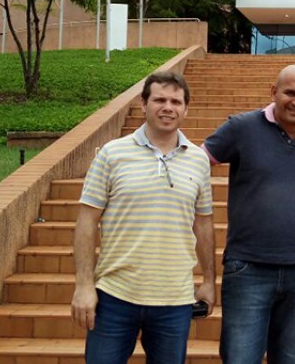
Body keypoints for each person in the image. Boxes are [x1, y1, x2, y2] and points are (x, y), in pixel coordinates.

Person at [70, 71, 215, 364]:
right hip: (115, 296)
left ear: (186, 108)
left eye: (176, 101)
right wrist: (84, 284)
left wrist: (210, 280)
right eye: (159, 99)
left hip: (174, 299)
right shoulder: (112, 154)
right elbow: (86, 221)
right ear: (143, 104)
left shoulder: (198, 160)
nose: (168, 107)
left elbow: (204, 223)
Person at [202, 64, 295, 364]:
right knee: (240, 358)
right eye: (290, 92)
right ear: (273, 92)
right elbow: (195, 164)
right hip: (248, 268)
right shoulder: (240, 127)